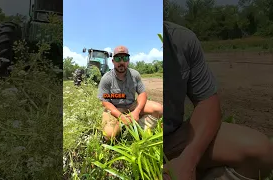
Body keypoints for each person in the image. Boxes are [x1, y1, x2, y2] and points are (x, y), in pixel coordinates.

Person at [163, 21, 273, 180]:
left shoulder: (182, 39)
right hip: (143, 134)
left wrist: (188, 160)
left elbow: (207, 101)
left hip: (173, 139)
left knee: (259, 151)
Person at [97, 45, 163, 140]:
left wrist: (137, 111)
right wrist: (120, 116)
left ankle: (140, 127)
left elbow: (142, 93)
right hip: (115, 108)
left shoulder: (135, 75)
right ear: (113, 61)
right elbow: (105, 101)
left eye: (125, 58)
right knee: (109, 135)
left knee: (159, 109)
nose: (122, 62)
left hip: (132, 106)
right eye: (118, 58)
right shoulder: (106, 78)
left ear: (128, 60)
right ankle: (122, 126)